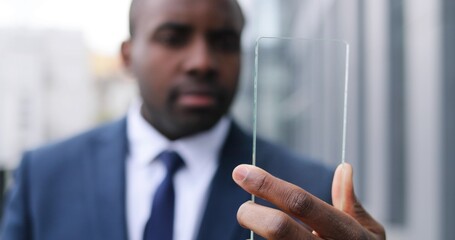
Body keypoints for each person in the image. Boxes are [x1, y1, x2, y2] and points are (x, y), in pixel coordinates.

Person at [0, 0, 385, 239]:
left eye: (223, 42)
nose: (202, 61)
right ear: (127, 56)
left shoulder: (309, 191)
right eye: (173, 37)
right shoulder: (44, 175)